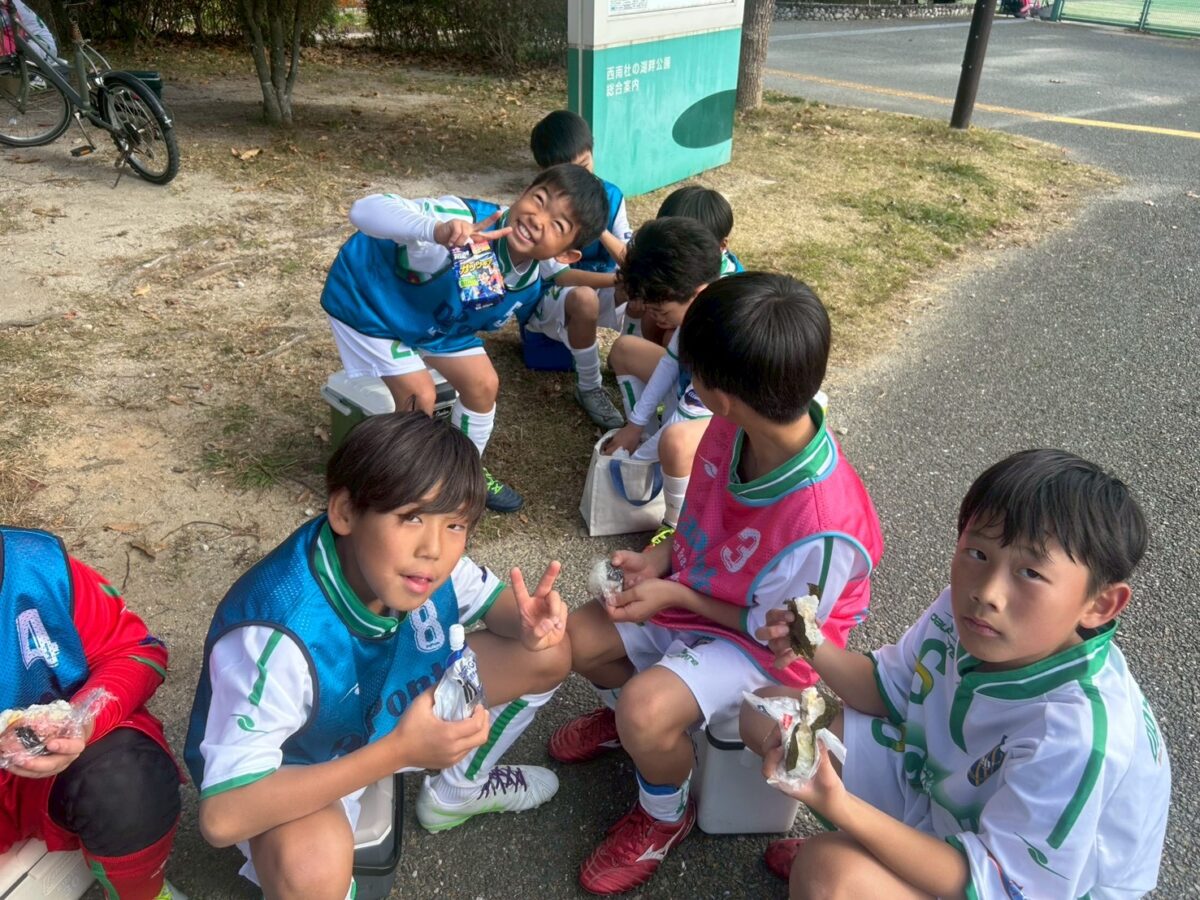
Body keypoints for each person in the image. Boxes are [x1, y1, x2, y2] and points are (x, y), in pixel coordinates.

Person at [551, 273, 884, 895]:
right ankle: (632, 730)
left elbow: (785, 636)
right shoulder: (735, 426)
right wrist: (661, 559)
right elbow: (696, 521)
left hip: (767, 645)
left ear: (720, 395)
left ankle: (663, 816)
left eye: (689, 367)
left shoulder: (820, 527)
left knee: (648, 710)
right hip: (706, 593)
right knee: (579, 639)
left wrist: (676, 595)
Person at [746, 449, 1170, 899]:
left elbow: (999, 882)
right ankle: (871, 859)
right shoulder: (965, 614)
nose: (987, 592)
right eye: (978, 552)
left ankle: (862, 861)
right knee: (770, 712)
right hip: (941, 792)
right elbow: (883, 690)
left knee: (828, 875)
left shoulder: (1077, 734)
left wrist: (842, 808)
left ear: (1100, 604)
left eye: (1030, 572)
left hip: (1014, 883)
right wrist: (811, 643)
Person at [185, 413, 572, 900]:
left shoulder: (421, 565)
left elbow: (498, 608)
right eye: (411, 517)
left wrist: (531, 625)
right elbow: (222, 817)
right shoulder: (278, 633)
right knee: (310, 867)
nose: (434, 548)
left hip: (385, 720)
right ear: (345, 512)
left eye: (455, 524)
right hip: (300, 767)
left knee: (549, 654)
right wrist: (399, 752)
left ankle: (458, 792)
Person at [320, 163, 609, 513]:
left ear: (565, 254)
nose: (539, 219)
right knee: (419, 397)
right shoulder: (461, 218)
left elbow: (541, 293)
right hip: (369, 301)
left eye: (558, 224)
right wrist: (436, 230)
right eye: (539, 199)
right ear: (522, 193)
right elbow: (364, 210)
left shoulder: (534, 275)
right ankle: (402, 487)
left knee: (483, 384)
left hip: (434, 320)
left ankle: (462, 473)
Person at [0, 526, 183, 900]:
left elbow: (132, 651)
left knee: (125, 778)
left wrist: (80, 720)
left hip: (39, 772)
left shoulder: (35, 566)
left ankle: (143, 894)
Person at [604, 217, 722, 540]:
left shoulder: (716, 336)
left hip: (727, 421)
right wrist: (635, 426)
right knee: (625, 350)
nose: (655, 318)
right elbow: (669, 363)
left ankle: (675, 526)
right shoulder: (698, 307)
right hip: (693, 401)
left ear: (697, 293)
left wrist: (632, 462)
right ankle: (652, 445)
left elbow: (686, 417)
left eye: (661, 310)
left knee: (675, 441)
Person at [524, 110, 632, 429]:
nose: (579, 180)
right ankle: (589, 387)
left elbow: (630, 260)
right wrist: (615, 279)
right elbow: (560, 275)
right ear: (544, 171)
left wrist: (597, 224)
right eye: (566, 173)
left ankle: (634, 363)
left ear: (593, 152)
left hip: (601, 287)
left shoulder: (611, 195)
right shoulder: (538, 206)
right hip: (551, 299)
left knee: (642, 291)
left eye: (584, 166)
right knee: (584, 297)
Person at [621, 185, 743, 344]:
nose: (676, 255)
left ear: (721, 245)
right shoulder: (663, 265)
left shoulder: (729, 287)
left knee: (671, 335)